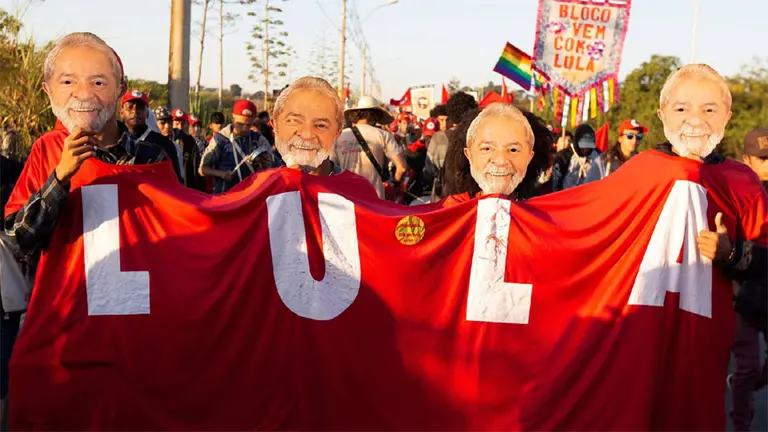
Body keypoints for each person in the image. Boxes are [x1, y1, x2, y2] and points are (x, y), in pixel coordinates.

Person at [2, 33, 171, 424]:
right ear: (48, 92)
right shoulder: (46, 150)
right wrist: (59, 178)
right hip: (67, 320)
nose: (84, 93)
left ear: (120, 91)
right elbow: (18, 240)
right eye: (68, 82)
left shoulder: (154, 155)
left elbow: (179, 233)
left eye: (98, 82)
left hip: (140, 321)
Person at [724, 127, 768, 432]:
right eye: (763, 158)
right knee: (748, 365)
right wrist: (732, 284)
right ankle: (740, 424)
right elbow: (725, 246)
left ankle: (743, 384)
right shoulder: (736, 192)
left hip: (767, 290)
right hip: (742, 294)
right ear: (747, 159)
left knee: (753, 374)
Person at [440, 103, 551, 204]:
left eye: (513, 150)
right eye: (487, 149)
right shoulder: (448, 213)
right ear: (468, 154)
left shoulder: (542, 218)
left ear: (529, 157)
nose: (501, 161)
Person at [271, 76, 353, 177]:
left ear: (337, 133)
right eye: (294, 121)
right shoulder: (259, 188)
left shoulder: (357, 190)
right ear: (275, 125)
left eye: (320, 125)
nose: (307, 135)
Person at [333, 95, 407, 199]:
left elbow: (330, 170)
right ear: (374, 115)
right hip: (375, 200)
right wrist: (393, 185)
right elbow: (402, 168)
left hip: (346, 200)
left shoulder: (339, 137)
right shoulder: (383, 135)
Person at [200, 100, 271, 193]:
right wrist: (221, 174)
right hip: (226, 198)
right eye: (240, 124)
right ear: (233, 119)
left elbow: (272, 167)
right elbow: (202, 169)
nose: (245, 128)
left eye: (249, 124)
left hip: (251, 196)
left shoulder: (259, 140)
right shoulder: (220, 140)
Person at [119, 89, 182, 182]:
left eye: (140, 107)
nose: (135, 111)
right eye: (130, 107)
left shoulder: (165, 144)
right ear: (121, 113)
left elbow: (175, 182)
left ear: (147, 113)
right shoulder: (113, 142)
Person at [427, 92, 479, 201]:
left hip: (445, 199)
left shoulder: (439, 137)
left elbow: (429, 169)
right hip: (471, 199)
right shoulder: (478, 137)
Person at [155, 106, 203, 190]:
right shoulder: (149, 143)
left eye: (169, 122)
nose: (167, 126)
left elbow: (195, 170)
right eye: (162, 123)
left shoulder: (188, 141)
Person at [552, 123, 600, 191]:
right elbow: (555, 182)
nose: (585, 149)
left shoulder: (599, 156)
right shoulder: (564, 156)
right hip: (567, 197)